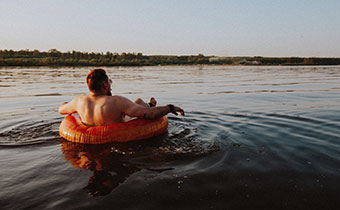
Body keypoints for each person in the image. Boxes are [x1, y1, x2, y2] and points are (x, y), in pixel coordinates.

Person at [58, 68, 184, 126]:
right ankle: (151, 104)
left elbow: (61, 109)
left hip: (91, 147)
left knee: (137, 101)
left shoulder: (79, 101)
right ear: (105, 85)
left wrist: (67, 104)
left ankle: (149, 103)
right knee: (138, 102)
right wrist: (170, 107)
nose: (111, 85)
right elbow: (150, 115)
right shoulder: (116, 101)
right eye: (109, 82)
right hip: (119, 140)